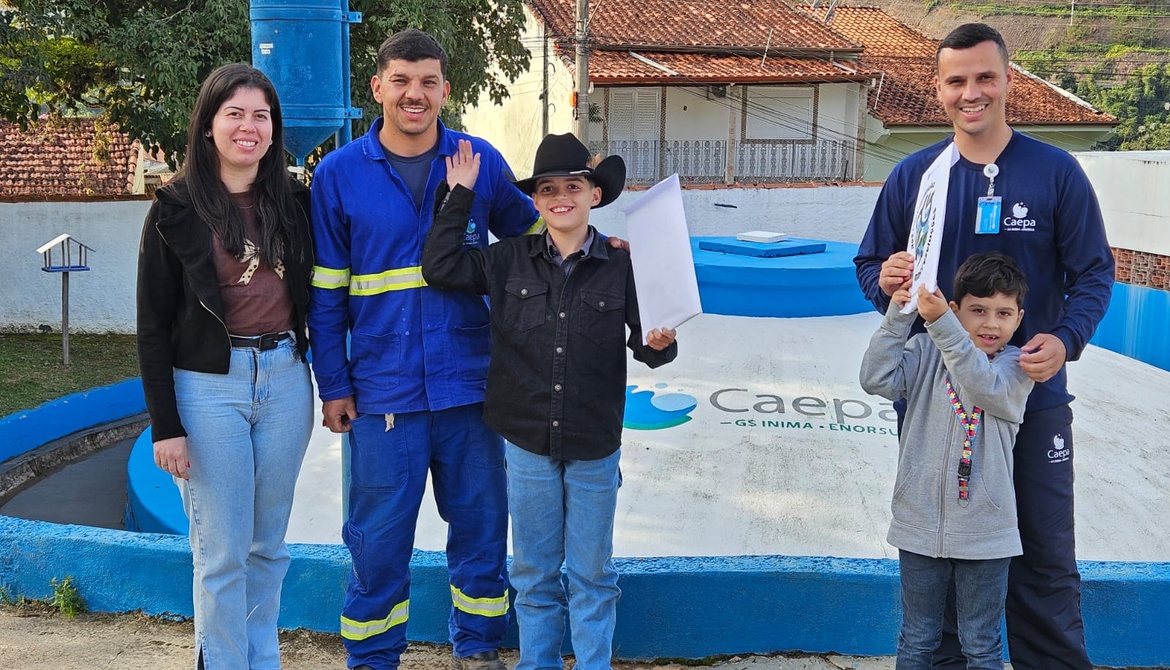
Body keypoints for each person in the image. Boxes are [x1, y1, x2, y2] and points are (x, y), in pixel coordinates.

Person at [854, 23, 1115, 670]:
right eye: (956, 80)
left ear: (1006, 81)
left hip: (1027, 398)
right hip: (932, 409)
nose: (971, 92)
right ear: (939, 90)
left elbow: (1093, 272)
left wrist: (1064, 337)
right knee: (940, 567)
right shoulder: (918, 177)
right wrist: (884, 280)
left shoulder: (1054, 171)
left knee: (1044, 559)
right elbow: (870, 267)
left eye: (984, 77)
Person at [307, 28, 544, 670]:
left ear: (444, 89)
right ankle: (375, 659)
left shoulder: (479, 160)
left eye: (429, 82)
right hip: (383, 392)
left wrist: (602, 252)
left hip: (471, 388)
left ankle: (477, 652)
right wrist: (332, 384)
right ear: (378, 86)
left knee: (481, 531)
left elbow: (540, 243)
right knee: (378, 541)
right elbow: (326, 294)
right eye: (403, 81)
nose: (416, 94)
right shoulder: (337, 176)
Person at [422, 132, 678, 670]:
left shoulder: (622, 264)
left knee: (592, 574)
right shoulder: (505, 259)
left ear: (594, 195)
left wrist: (660, 344)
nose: (561, 196)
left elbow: (648, 344)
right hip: (527, 443)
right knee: (534, 574)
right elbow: (440, 267)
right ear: (535, 201)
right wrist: (459, 194)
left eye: (574, 186)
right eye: (548, 188)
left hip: (593, 444)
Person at [136, 63, 314, 669]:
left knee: (268, 548)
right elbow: (153, 326)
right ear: (209, 125)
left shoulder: (295, 201)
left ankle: (261, 660)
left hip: (288, 380)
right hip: (209, 389)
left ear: (273, 129)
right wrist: (166, 425)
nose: (249, 126)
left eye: (260, 115)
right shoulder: (174, 210)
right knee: (221, 551)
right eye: (234, 113)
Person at [860, 252, 1034, 670]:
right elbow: (875, 378)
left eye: (1003, 313)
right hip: (918, 526)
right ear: (956, 309)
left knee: (981, 645)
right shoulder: (923, 350)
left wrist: (942, 325)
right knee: (917, 639)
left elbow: (981, 383)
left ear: (1018, 317)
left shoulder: (1017, 368)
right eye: (977, 310)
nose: (990, 324)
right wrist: (902, 315)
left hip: (987, 535)